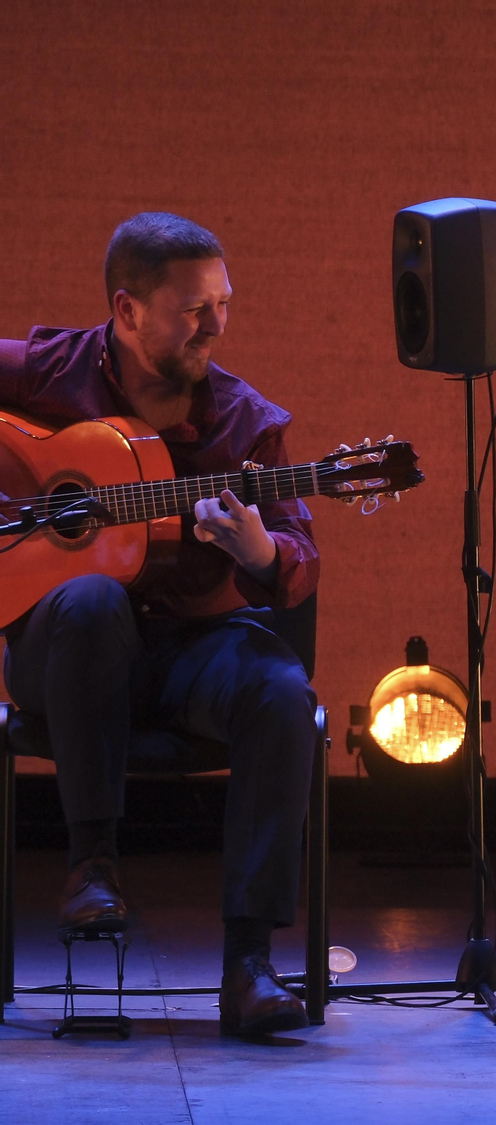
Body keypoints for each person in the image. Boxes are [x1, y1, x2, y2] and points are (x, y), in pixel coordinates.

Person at [0, 212, 320, 1036]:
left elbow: (299, 558)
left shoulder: (246, 424)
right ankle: (91, 868)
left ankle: (248, 964)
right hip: (59, 649)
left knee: (281, 690)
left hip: (184, 653)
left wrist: (258, 549)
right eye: (194, 308)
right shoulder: (49, 369)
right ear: (127, 308)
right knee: (93, 597)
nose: (217, 324)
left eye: (224, 303)